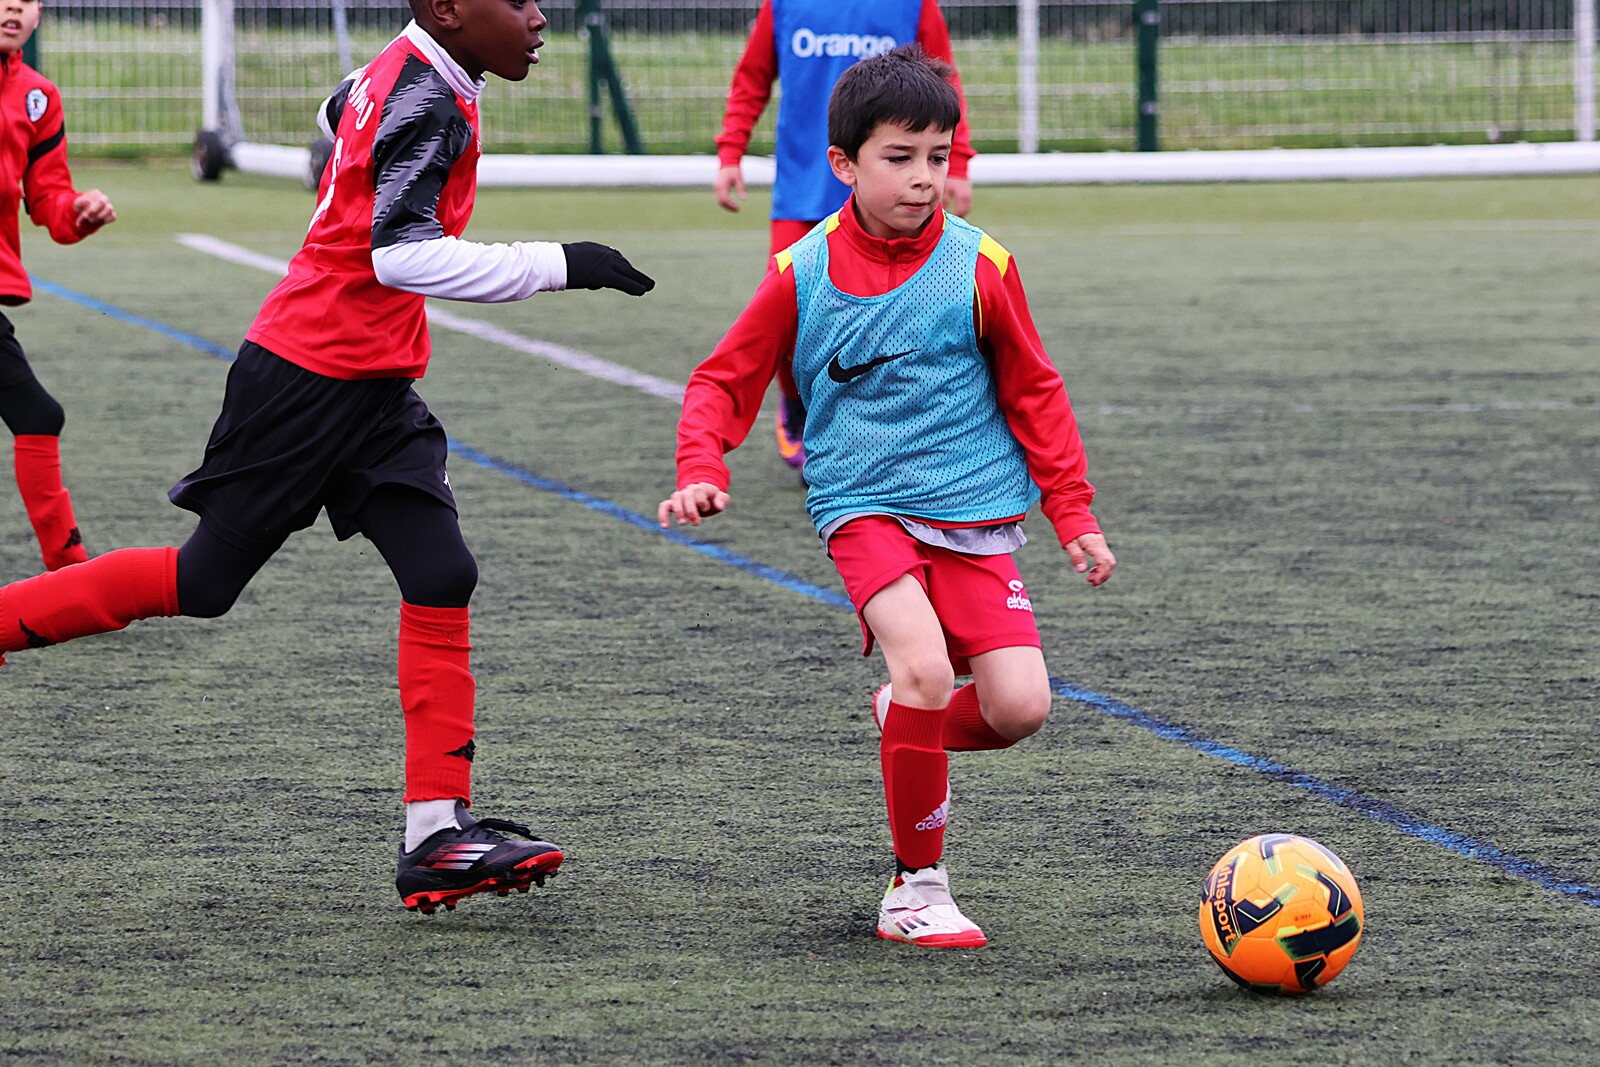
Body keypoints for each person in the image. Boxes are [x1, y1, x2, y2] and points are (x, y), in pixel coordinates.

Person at [0, 0, 655, 916]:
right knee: (203, 581)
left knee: (441, 571)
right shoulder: (426, 98)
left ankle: (435, 833)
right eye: (516, 0)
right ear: (448, 10)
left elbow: (338, 107)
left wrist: (346, 166)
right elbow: (401, 257)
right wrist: (562, 262)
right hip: (306, 377)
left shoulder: (412, 71)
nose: (539, 17)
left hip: (373, 383)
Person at [662, 45, 1115, 949]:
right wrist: (701, 465)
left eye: (937, 157)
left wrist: (1073, 511)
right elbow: (722, 378)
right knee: (924, 667)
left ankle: (904, 718)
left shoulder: (982, 264)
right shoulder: (804, 270)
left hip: (973, 507)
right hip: (862, 502)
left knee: (1019, 707)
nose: (923, 178)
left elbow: (1035, 388)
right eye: (900, 158)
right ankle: (916, 889)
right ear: (844, 164)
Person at [712, 0, 976, 475]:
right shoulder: (783, 5)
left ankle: (892, 432)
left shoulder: (916, 5)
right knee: (789, 318)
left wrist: (956, 163)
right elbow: (752, 77)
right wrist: (731, 151)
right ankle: (797, 404)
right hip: (804, 191)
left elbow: (946, 82)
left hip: (892, 194)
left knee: (904, 317)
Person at [0, 0, 117, 572]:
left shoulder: (38, 96)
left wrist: (79, 210)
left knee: (38, 416)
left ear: (38, 14)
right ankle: (70, 575)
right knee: (37, 414)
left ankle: (68, 575)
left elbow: (48, 199)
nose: (12, 6)